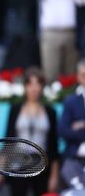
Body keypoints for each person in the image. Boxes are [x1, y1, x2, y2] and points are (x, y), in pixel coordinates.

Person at [0, 67, 60, 195]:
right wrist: (1, 170)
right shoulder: (16, 109)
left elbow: (54, 146)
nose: (34, 88)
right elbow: (8, 139)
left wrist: (54, 176)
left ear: (42, 87)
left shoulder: (50, 112)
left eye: (37, 84)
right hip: (18, 165)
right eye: (30, 84)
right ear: (25, 87)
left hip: (42, 166)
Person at [58, 60, 85, 190]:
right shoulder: (71, 101)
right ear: (78, 77)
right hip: (74, 159)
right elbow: (63, 131)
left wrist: (80, 126)